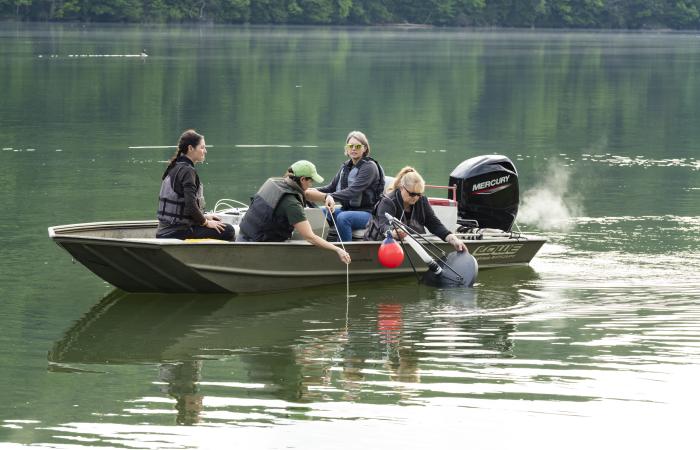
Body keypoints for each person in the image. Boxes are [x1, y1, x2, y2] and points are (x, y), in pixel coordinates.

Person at [237, 160, 351, 265]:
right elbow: (310, 237)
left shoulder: (275, 182)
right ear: (302, 179)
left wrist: (326, 196)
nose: (311, 185)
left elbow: (305, 193)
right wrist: (337, 249)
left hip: (244, 235)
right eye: (311, 181)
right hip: (257, 246)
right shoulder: (292, 204)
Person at [363, 166, 467, 252]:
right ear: (402, 187)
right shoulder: (388, 201)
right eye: (412, 194)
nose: (416, 197)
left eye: (419, 194)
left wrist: (453, 239)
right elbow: (383, 225)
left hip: (410, 246)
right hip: (380, 244)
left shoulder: (422, 201)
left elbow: (434, 224)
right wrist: (393, 232)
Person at [156, 129, 235, 241]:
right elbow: (190, 205)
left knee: (217, 222)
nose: (205, 151)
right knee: (229, 230)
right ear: (190, 148)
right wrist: (206, 222)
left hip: (165, 230)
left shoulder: (175, 166)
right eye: (202, 147)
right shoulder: (188, 171)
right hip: (178, 231)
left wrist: (205, 217)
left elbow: (187, 208)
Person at [306, 131, 384, 242]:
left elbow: (352, 191)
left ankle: (345, 253)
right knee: (319, 213)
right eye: (350, 146)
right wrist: (308, 190)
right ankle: (317, 245)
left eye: (357, 146)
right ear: (346, 148)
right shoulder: (346, 166)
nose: (353, 149)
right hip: (346, 209)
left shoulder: (369, 167)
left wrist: (328, 196)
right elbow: (331, 187)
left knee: (343, 218)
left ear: (365, 148)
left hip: (368, 213)